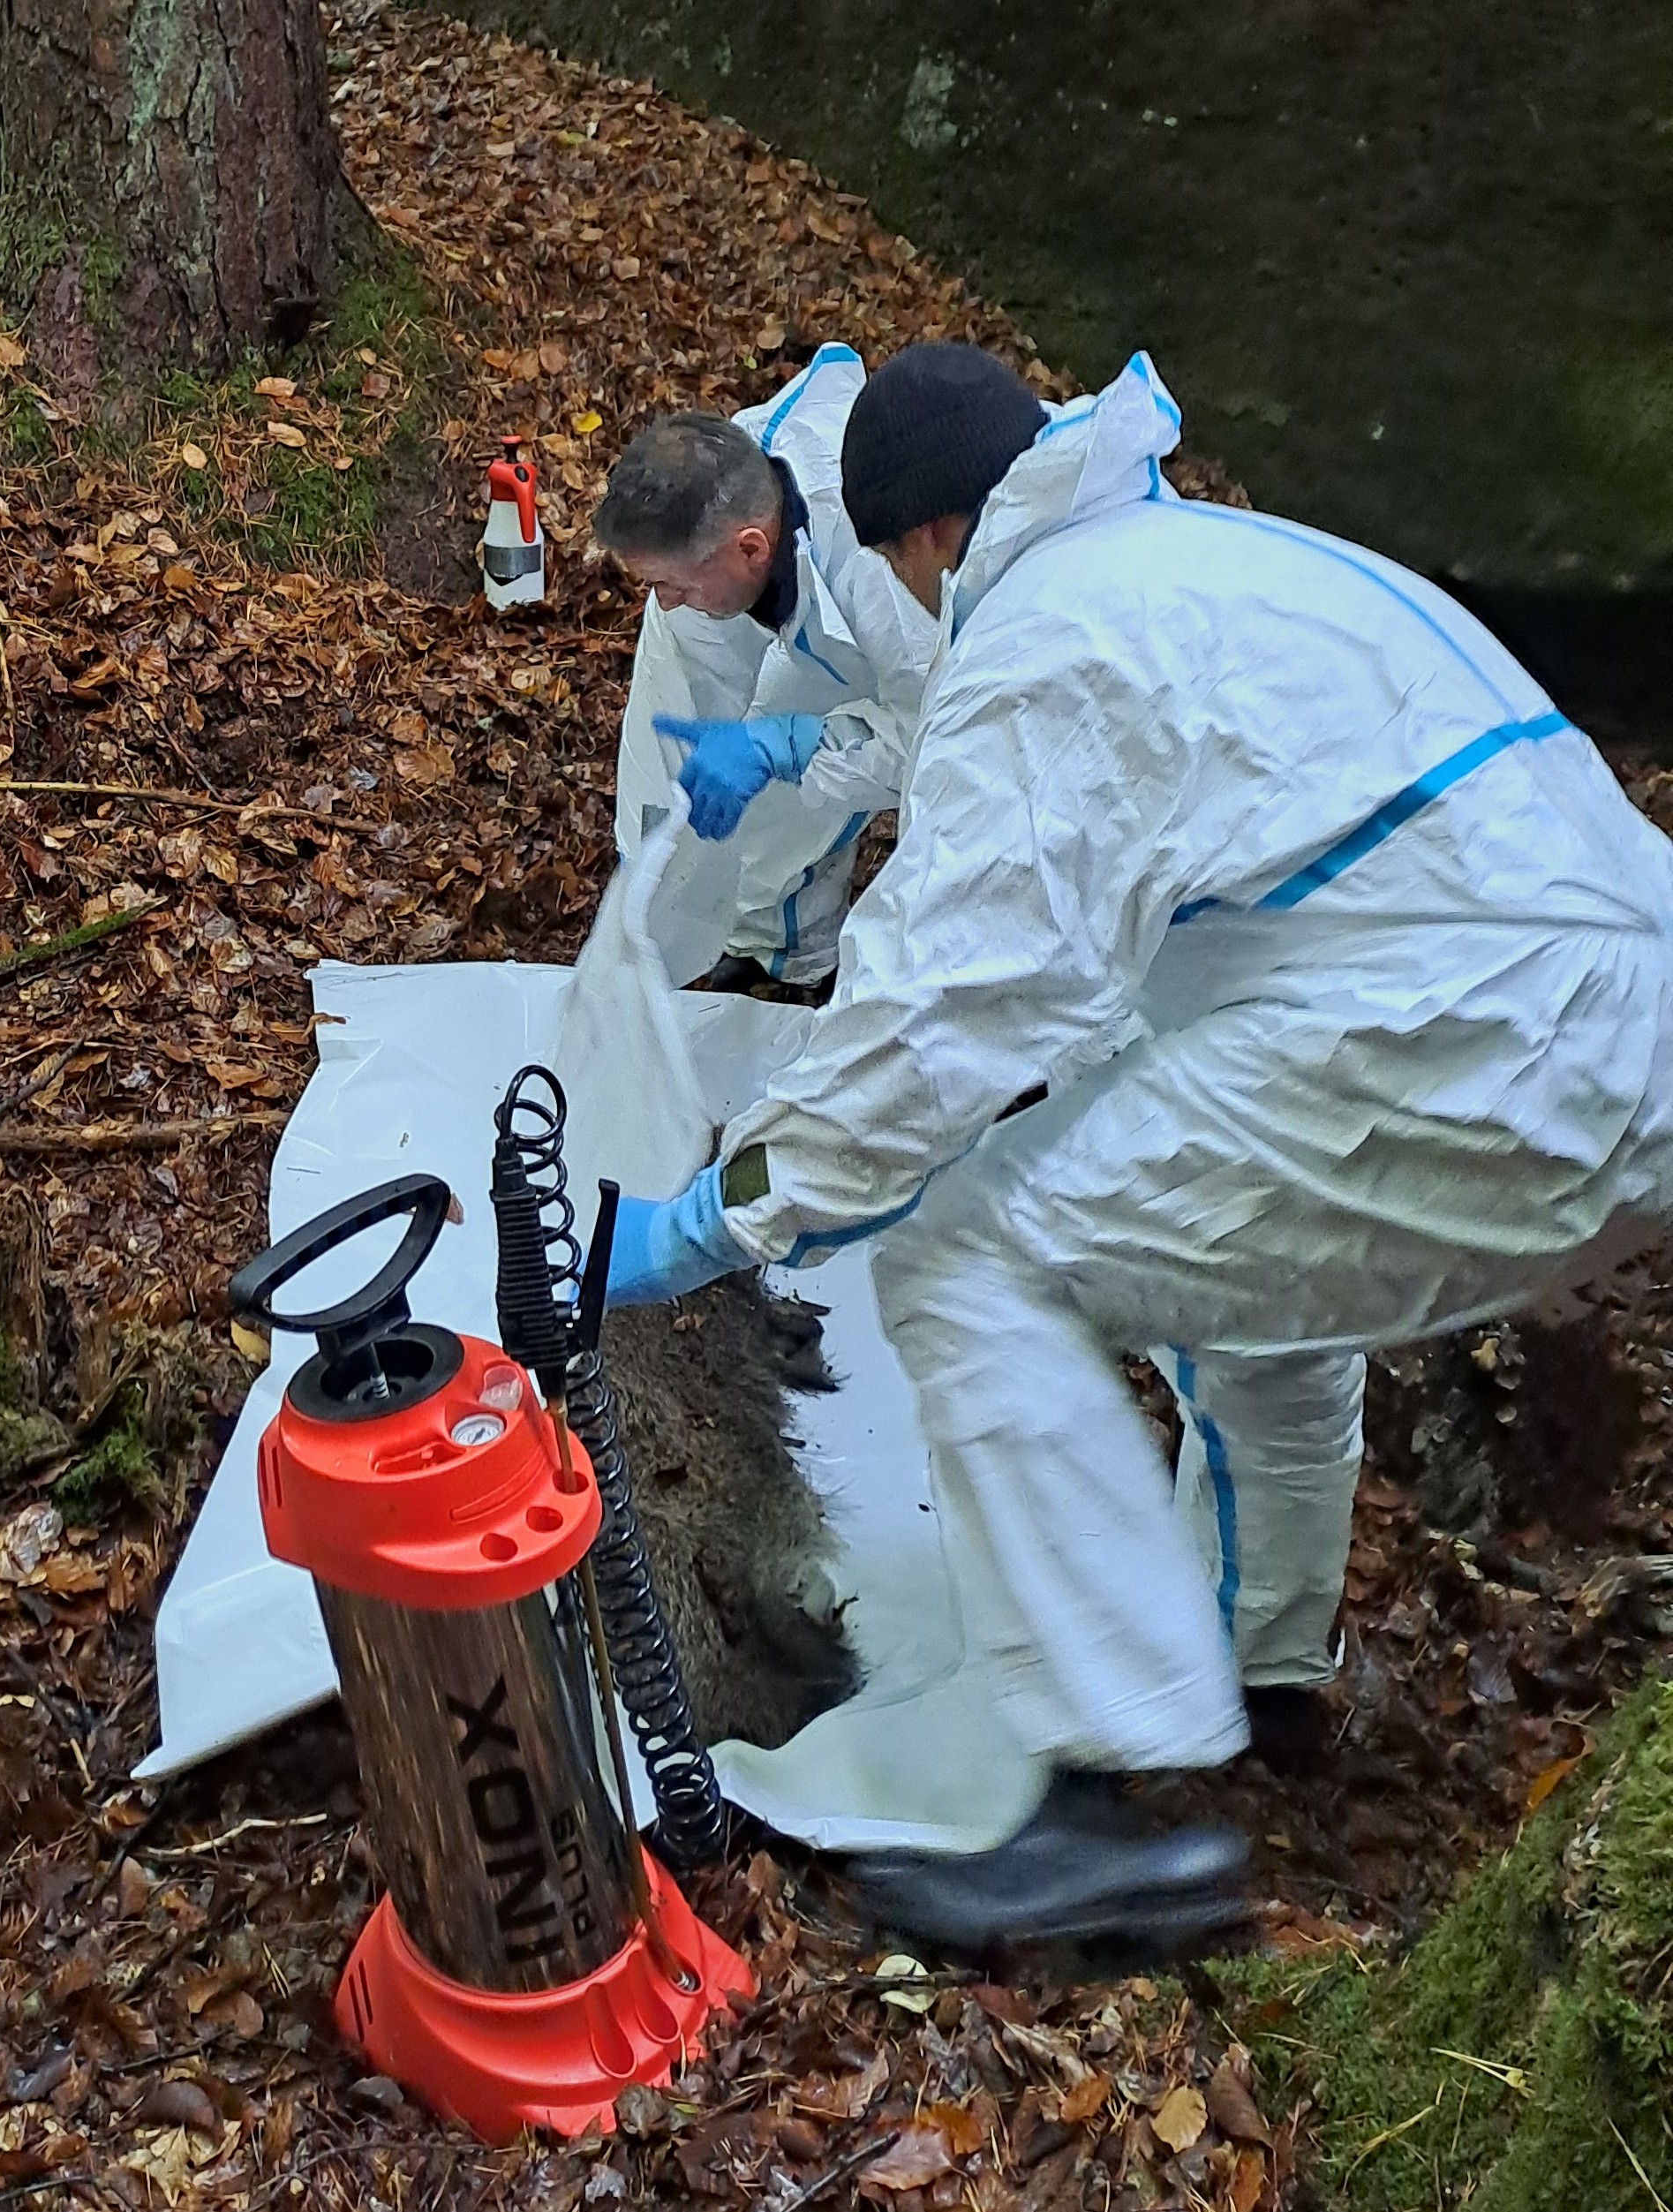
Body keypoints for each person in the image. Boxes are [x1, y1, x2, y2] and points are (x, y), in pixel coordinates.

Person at [604, 340, 1673, 1945]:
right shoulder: (1207, 559)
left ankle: (1085, 1818)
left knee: (966, 1255)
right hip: (1603, 1016)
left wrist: (724, 1211)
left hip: (1472, 1039)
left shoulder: (1051, 638)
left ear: (929, 534)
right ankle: (1264, 1671)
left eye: (905, 564)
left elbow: (939, 1014)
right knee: (1250, 1302)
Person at [591, 347, 938, 992]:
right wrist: (645, 877)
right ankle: (717, 937)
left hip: (907, 660)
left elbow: (934, 739)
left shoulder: (886, 582)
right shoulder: (720, 499)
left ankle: (793, 961)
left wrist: (791, 745)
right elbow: (668, 716)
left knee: (801, 791)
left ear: (750, 549)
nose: (662, 603)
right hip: (772, 592)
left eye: (673, 585)